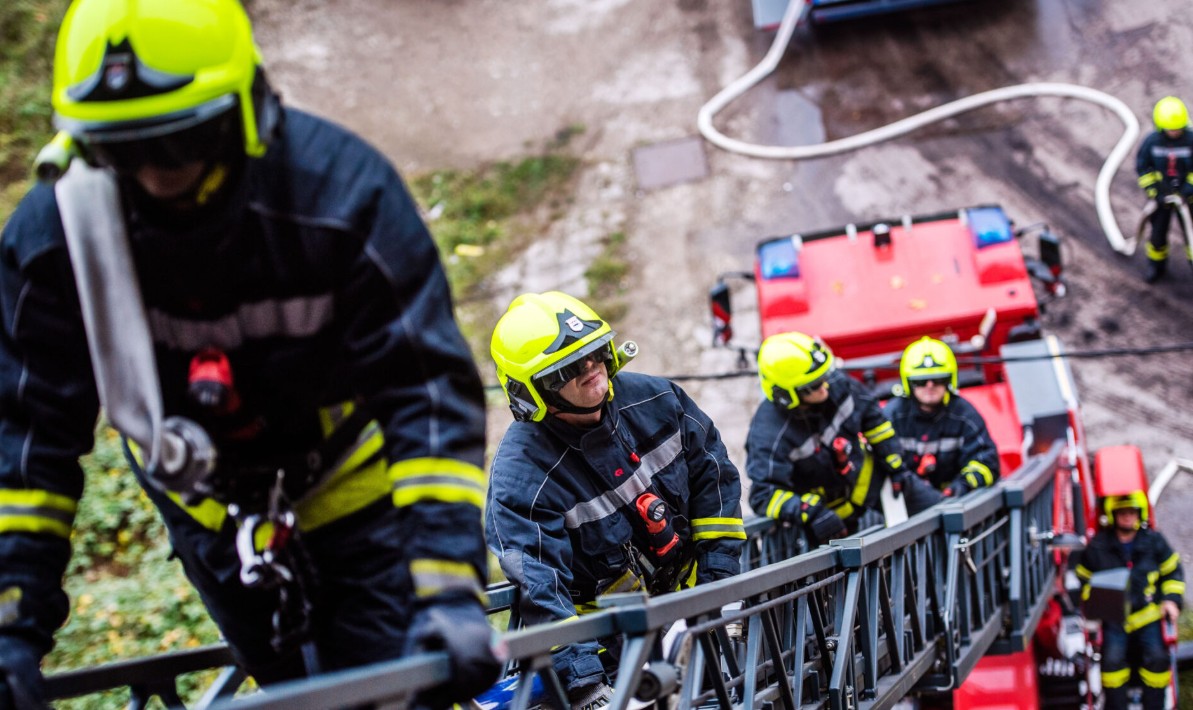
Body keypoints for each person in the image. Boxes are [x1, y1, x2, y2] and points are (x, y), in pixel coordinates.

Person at [0, 0, 501, 707]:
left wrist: (447, 584)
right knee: (293, 695)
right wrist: (11, 622)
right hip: (212, 515)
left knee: (394, 692)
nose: (156, 178)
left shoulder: (342, 200)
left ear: (251, 110)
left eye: (178, 144)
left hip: (355, 499)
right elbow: (26, 434)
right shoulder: (56, 241)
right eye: (125, 153)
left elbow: (423, 396)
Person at [486, 291, 746, 709]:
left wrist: (717, 586)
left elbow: (714, 479)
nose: (591, 368)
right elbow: (540, 589)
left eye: (595, 352)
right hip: (617, 657)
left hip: (695, 616)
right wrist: (587, 687)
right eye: (570, 366)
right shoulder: (523, 478)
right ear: (531, 391)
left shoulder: (660, 401)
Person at [745, 332, 906, 546]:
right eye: (814, 384)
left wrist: (894, 462)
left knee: (934, 513)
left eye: (824, 377)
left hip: (870, 490)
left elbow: (873, 418)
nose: (825, 387)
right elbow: (763, 495)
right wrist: (809, 511)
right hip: (825, 525)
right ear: (786, 394)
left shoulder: (836, 384)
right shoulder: (769, 434)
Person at [1074, 492, 1184, 710]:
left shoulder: (1154, 541)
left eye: (1132, 512)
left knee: (1157, 659)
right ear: (1113, 515)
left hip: (1149, 616)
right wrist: (1093, 606)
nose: (1127, 517)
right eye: (1122, 513)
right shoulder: (1098, 546)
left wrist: (1171, 601)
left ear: (1139, 514)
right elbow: (1082, 580)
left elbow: (1173, 573)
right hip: (1114, 620)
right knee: (1112, 663)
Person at [883, 337, 1000, 515]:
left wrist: (961, 486)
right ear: (908, 382)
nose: (930, 386)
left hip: (958, 508)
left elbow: (987, 462)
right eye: (921, 381)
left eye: (938, 379)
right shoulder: (893, 416)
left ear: (949, 380)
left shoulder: (965, 415)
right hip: (904, 510)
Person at [1135, 95, 1193, 283]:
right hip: (1161, 199)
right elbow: (1143, 167)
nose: (1175, 132)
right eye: (1171, 129)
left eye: (1178, 128)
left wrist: (1187, 190)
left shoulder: (1191, 140)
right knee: (1157, 235)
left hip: (1189, 199)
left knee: (1191, 234)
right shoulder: (1152, 142)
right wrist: (1154, 191)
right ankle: (1156, 266)